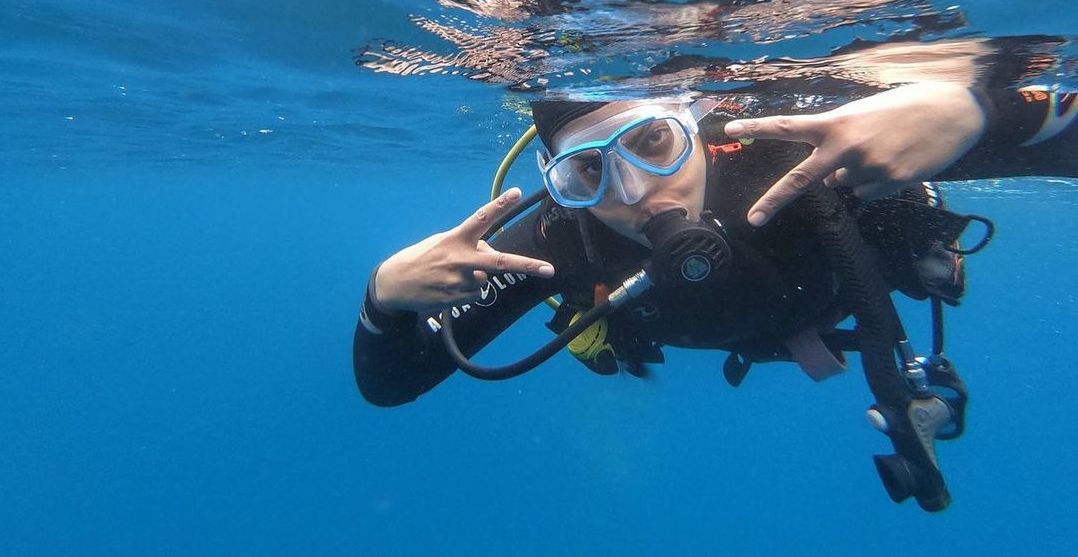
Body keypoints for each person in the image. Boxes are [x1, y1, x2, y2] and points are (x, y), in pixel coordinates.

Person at [353, 80, 1077, 511]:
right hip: (750, 326)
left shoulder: (800, 149)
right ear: (561, 186)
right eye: (587, 175)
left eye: (656, 145)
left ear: (696, 124)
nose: (635, 193)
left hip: (840, 284)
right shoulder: (557, 242)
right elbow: (392, 382)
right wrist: (384, 297)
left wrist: (974, 112)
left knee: (899, 209)